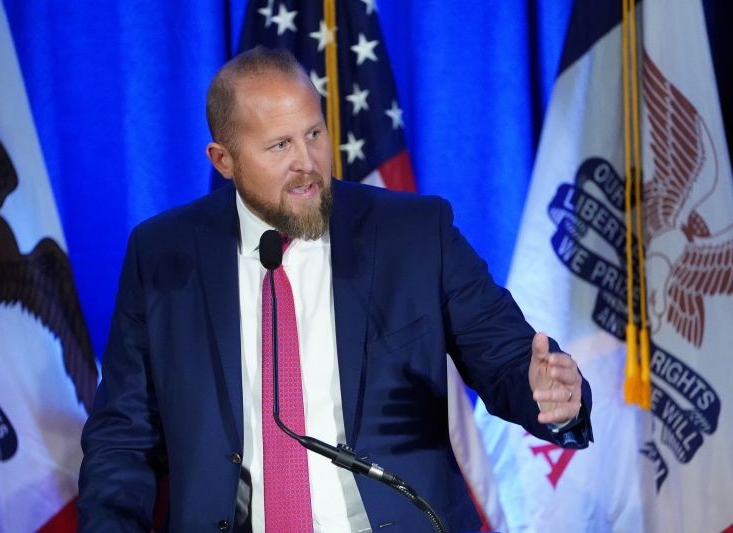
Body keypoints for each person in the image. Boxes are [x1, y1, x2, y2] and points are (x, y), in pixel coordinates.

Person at [78, 46, 593, 533]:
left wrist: (553, 397)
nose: (307, 162)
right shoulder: (163, 253)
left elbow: (507, 360)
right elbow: (123, 435)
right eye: (280, 145)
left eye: (314, 134)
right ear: (223, 160)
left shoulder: (415, 233)